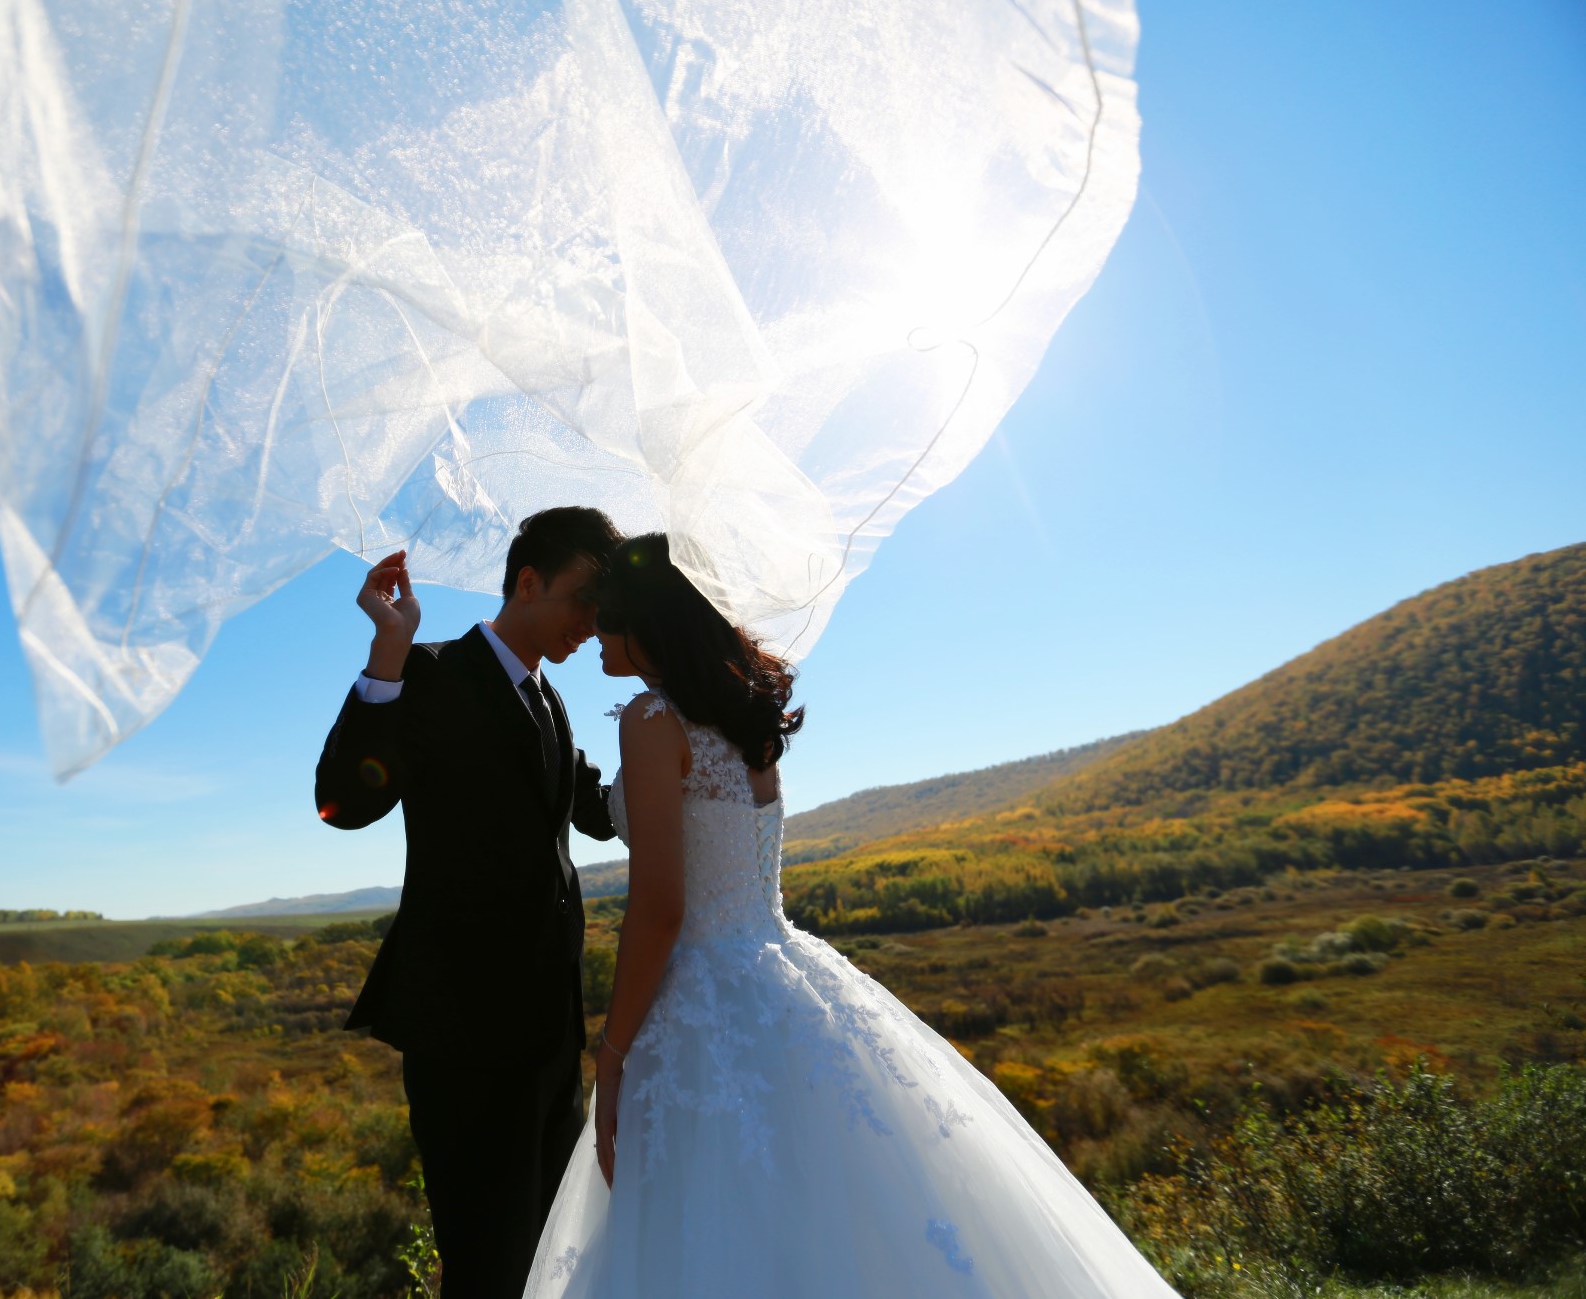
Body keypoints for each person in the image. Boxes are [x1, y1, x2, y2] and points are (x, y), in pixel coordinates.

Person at [523, 534, 1182, 1298]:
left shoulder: (650, 719)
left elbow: (662, 908)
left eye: (607, 619)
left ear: (651, 621)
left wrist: (611, 1048)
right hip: (786, 977)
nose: (596, 633)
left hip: (699, 1001)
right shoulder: (746, 724)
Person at [315, 506, 624, 1298]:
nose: (593, 624)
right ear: (528, 582)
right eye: (583, 600)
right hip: (468, 1040)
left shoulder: (549, 700)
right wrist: (387, 655)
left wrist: (699, 745)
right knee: (488, 1266)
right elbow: (343, 802)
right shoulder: (433, 673)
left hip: (551, 1041)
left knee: (551, 1255)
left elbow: (596, 806)